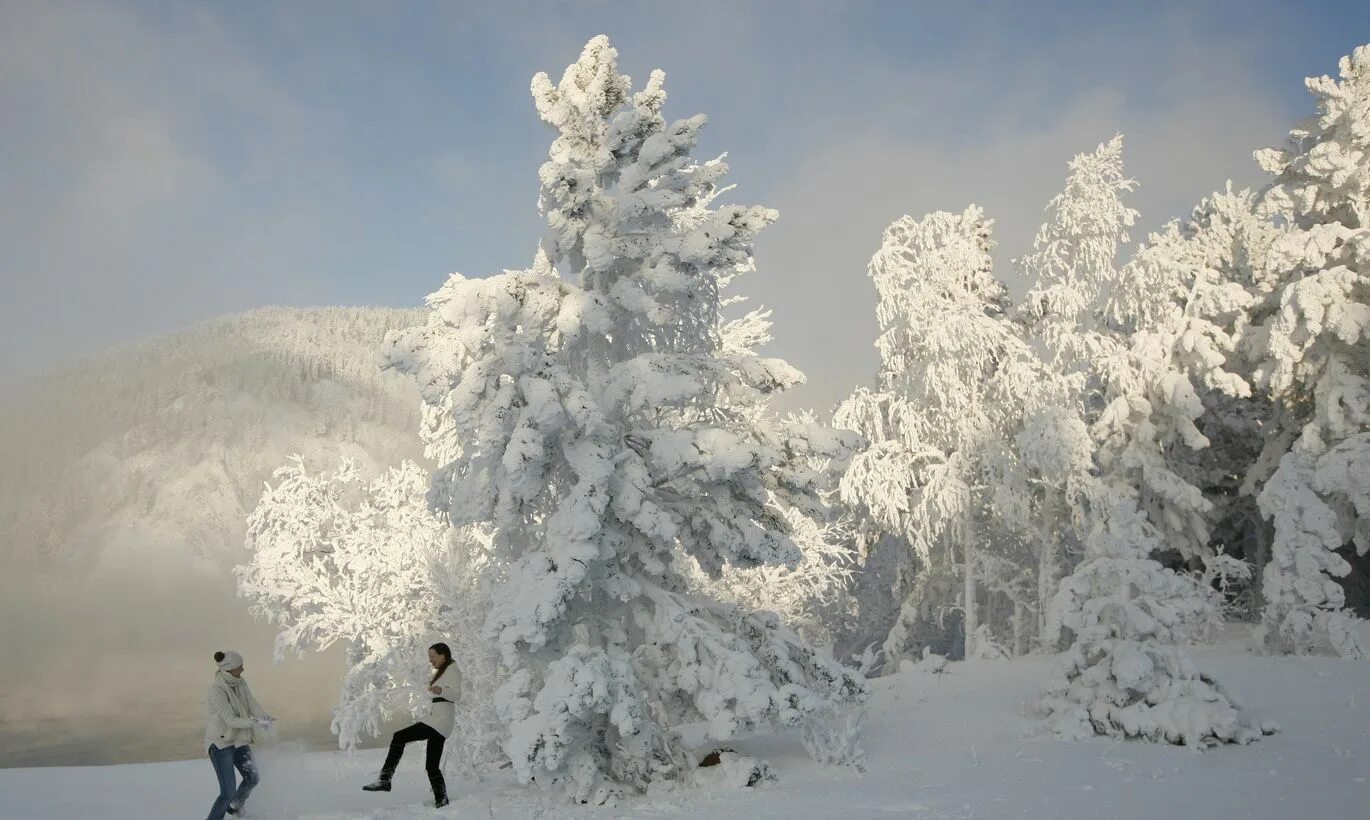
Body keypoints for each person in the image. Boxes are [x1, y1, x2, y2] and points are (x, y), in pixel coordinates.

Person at [362, 642, 460, 808]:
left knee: (399, 736)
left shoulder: (452, 670)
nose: (430, 660)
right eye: (429, 657)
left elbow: (457, 694)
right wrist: (437, 691)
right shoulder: (443, 671)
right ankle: (441, 801)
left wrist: (441, 691)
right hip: (441, 722)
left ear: (443, 655)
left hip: (439, 721)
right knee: (432, 767)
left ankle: (385, 779)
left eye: (433, 656)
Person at [205, 650, 274, 820]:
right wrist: (256, 722)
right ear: (229, 669)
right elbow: (231, 721)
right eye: (239, 667)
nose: (243, 669)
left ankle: (234, 806)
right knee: (227, 793)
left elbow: (251, 703)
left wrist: (265, 719)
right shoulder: (216, 691)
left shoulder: (240, 683)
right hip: (221, 745)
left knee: (252, 778)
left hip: (238, 740)